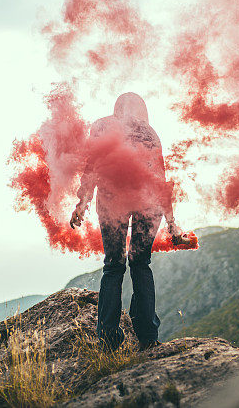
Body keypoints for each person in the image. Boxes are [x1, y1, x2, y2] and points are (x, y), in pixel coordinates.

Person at [70, 92, 189, 351]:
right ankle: (147, 338)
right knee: (140, 264)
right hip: (149, 204)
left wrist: (82, 203)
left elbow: (92, 168)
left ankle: (108, 342)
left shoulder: (103, 126)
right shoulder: (151, 134)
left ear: (117, 109)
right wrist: (172, 224)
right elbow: (161, 182)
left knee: (114, 266)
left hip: (112, 199)